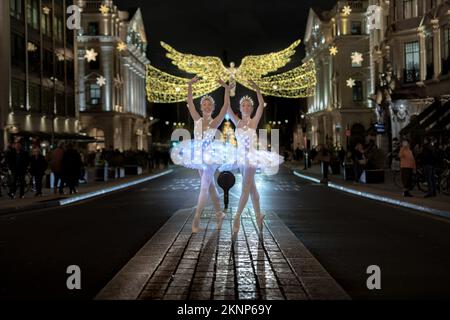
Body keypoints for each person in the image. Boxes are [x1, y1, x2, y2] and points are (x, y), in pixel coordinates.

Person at [223, 80, 284, 237]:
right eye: (243, 105)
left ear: (251, 108)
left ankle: (236, 218)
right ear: (241, 107)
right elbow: (227, 107)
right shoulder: (237, 121)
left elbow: (261, 103)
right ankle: (258, 216)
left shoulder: (254, 121)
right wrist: (226, 90)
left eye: (248, 105)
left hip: (250, 158)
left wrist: (257, 89)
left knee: (245, 187)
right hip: (240, 157)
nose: (246, 107)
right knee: (252, 190)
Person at [170, 76, 231, 233]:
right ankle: (219, 214)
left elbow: (226, 106)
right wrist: (189, 85)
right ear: (201, 106)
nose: (206, 106)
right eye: (204, 104)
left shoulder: (215, 121)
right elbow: (189, 102)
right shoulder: (197, 119)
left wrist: (225, 88)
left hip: (210, 158)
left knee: (204, 187)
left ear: (212, 107)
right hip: (198, 157)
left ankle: (196, 218)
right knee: (210, 188)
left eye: (209, 104)